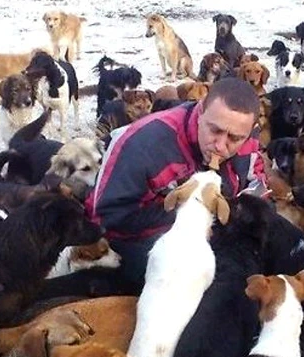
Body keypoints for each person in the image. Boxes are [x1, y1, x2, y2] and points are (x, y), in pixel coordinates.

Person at [88, 77, 267, 285]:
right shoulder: (144, 145)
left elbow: (256, 179)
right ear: (200, 112)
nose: (220, 145)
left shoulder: (248, 135)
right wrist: (186, 212)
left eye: (234, 138)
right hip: (138, 243)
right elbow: (106, 218)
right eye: (215, 130)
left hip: (210, 233)